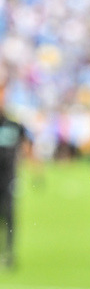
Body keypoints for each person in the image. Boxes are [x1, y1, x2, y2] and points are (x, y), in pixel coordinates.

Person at [0, 76, 31, 269]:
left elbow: (27, 144)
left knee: (9, 215)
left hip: (8, 178)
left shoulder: (13, 123)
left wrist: (35, 168)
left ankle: (9, 253)